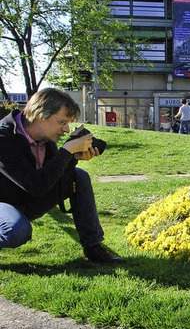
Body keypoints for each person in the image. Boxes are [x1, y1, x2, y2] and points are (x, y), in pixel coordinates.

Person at [0, 88, 123, 263]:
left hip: (27, 200)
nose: (65, 129)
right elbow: (36, 185)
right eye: (62, 122)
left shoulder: (47, 138)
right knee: (16, 230)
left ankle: (93, 247)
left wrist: (72, 157)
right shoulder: (3, 138)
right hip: (4, 204)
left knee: (78, 176)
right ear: (41, 114)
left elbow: (51, 176)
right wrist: (66, 151)